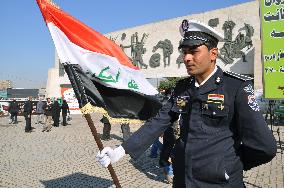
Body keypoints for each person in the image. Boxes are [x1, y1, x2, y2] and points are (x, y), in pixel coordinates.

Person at [96, 20, 277, 187]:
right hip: (183, 180)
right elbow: (159, 121)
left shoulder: (235, 87)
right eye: (184, 52)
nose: (187, 58)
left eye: (194, 51)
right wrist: (121, 150)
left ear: (213, 53)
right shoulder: (182, 87)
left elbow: (265, 147)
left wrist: (230, 164)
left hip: (219, 183)